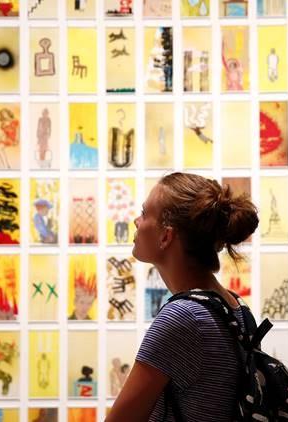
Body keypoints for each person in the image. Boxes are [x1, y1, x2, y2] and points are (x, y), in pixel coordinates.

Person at [107, 172, 259, 422]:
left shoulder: (182, 318)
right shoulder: (237, 308)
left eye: (145, 213)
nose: (136, 221)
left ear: (166, 236)